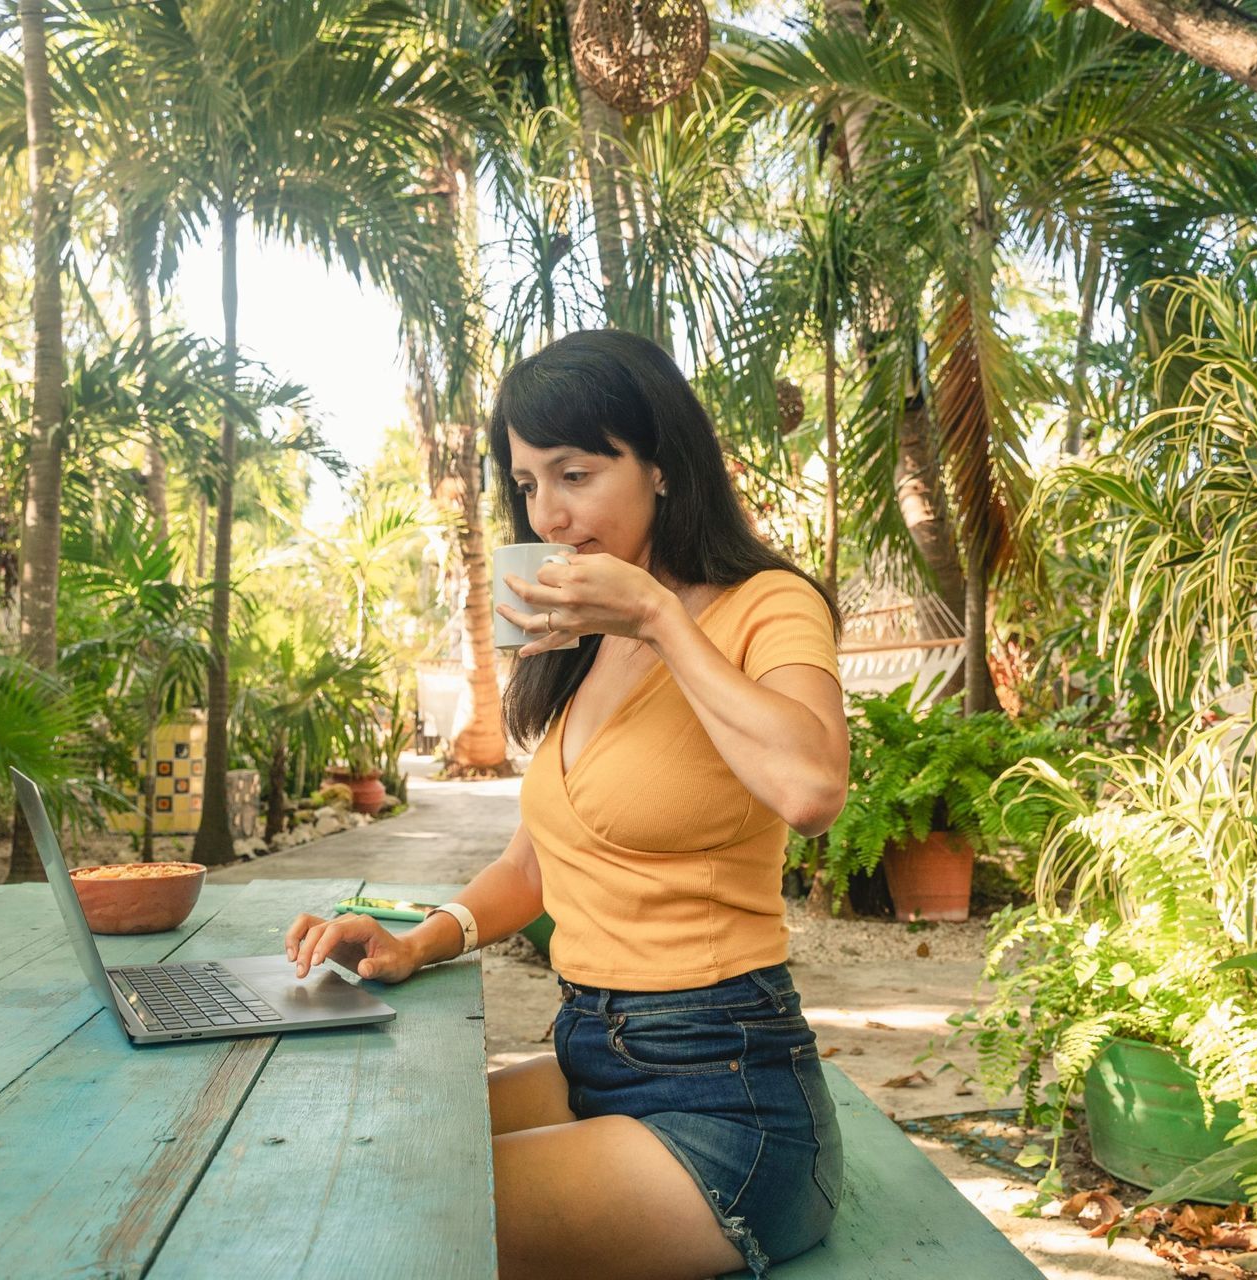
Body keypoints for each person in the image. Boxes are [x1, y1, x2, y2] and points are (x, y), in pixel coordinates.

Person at [283, 330, 850, 1279]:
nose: (549, 514)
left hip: (730, 1098)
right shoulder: (582, 642)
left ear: (662, 466)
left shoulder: (767, 606)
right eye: (530, 483)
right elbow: (533, 863)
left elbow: (813, 789)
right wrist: (419, 936)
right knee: (354, 1140)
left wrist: (661, 617)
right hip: (596, 1056)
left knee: (402, 1210)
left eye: (576, 474)